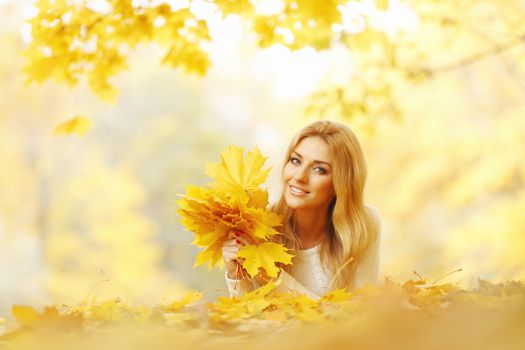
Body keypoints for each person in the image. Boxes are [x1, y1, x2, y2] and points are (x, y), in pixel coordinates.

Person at [222, 120, 382, 299]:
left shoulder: (363, 226)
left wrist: (275, 279)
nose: (299, 176)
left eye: (319, 169)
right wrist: (235, 274)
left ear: (342, 183)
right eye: (295, 160)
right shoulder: (260, 228)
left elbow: (360, 315)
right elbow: (246, 319)